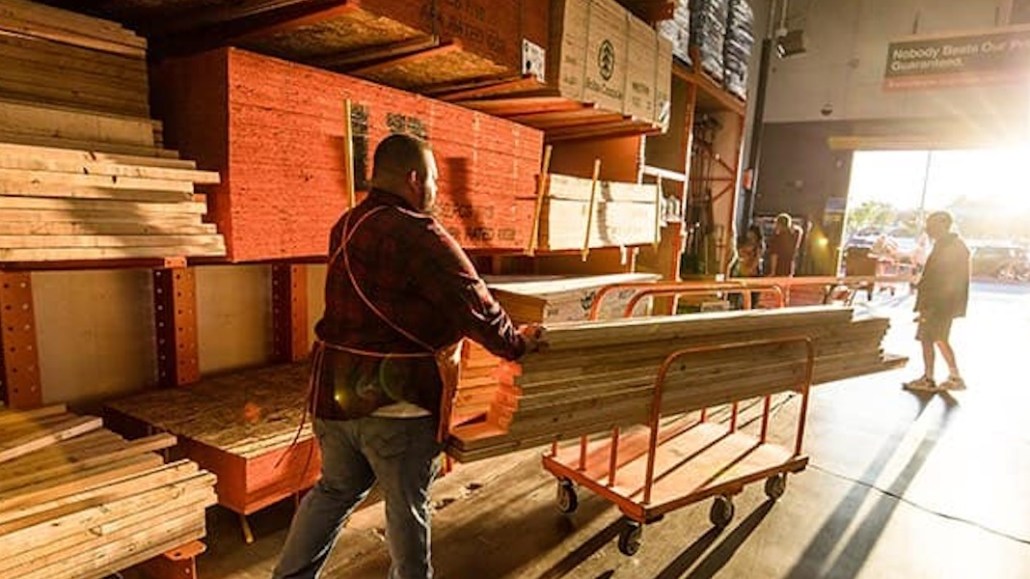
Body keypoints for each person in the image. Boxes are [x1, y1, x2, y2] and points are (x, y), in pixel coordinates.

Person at [273, 134, 541, 579]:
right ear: (415, 179)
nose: (436, 190)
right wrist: (518, 344)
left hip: (333, 400)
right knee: (406, 508)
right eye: (434, 179)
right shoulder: (421, 234)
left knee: (334, 491)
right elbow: (474, 304)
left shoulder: (346, 225)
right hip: (397, 408)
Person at [903, 211, 970, 392]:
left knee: (927, 338)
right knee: (940, 338)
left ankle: (929, 378)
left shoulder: (950, 247)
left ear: (942, 224)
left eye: (931, 224)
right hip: (943, 303)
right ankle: (954, 376)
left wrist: (928, 305)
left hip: (938, 303)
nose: (928, 228)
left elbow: (940, 279)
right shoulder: (951, 245)